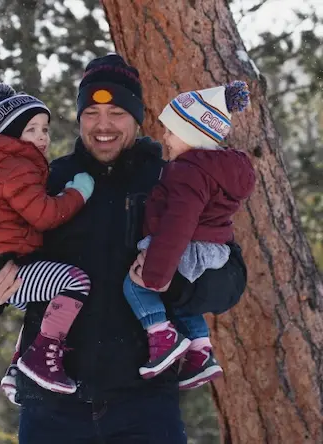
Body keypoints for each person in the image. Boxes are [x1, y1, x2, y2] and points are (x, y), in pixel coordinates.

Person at [0, 54, 248, 443]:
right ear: (79, 118)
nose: (103, 125)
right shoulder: (48, 181)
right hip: (51, 408)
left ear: (137, 118)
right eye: (92, 113)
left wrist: (177, 285)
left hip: (144, 403)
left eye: (117, 112)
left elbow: (231, 278)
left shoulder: (171, 179)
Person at [0, 82, 95, 398]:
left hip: (5, 261)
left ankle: (18, 368)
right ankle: (40, 358)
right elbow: (45, 215)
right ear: (10, 136)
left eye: (44, 129)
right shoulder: (17, 168)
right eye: (31, 130)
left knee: (42, 304)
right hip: (5, 266)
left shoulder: (10, 166)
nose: (43, 137)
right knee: (75, 282)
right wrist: (76, 194)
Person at [123, 81, 255, 388]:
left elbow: (178, 223)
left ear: (193, 134)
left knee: (136, 285)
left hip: (185, 247)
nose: (165, 138)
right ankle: (199, 350)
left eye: (171, 131)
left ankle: (161, 337)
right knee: (181, 301)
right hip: (211, 250)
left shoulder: (188, 172)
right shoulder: (217, 170)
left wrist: (155, 273)